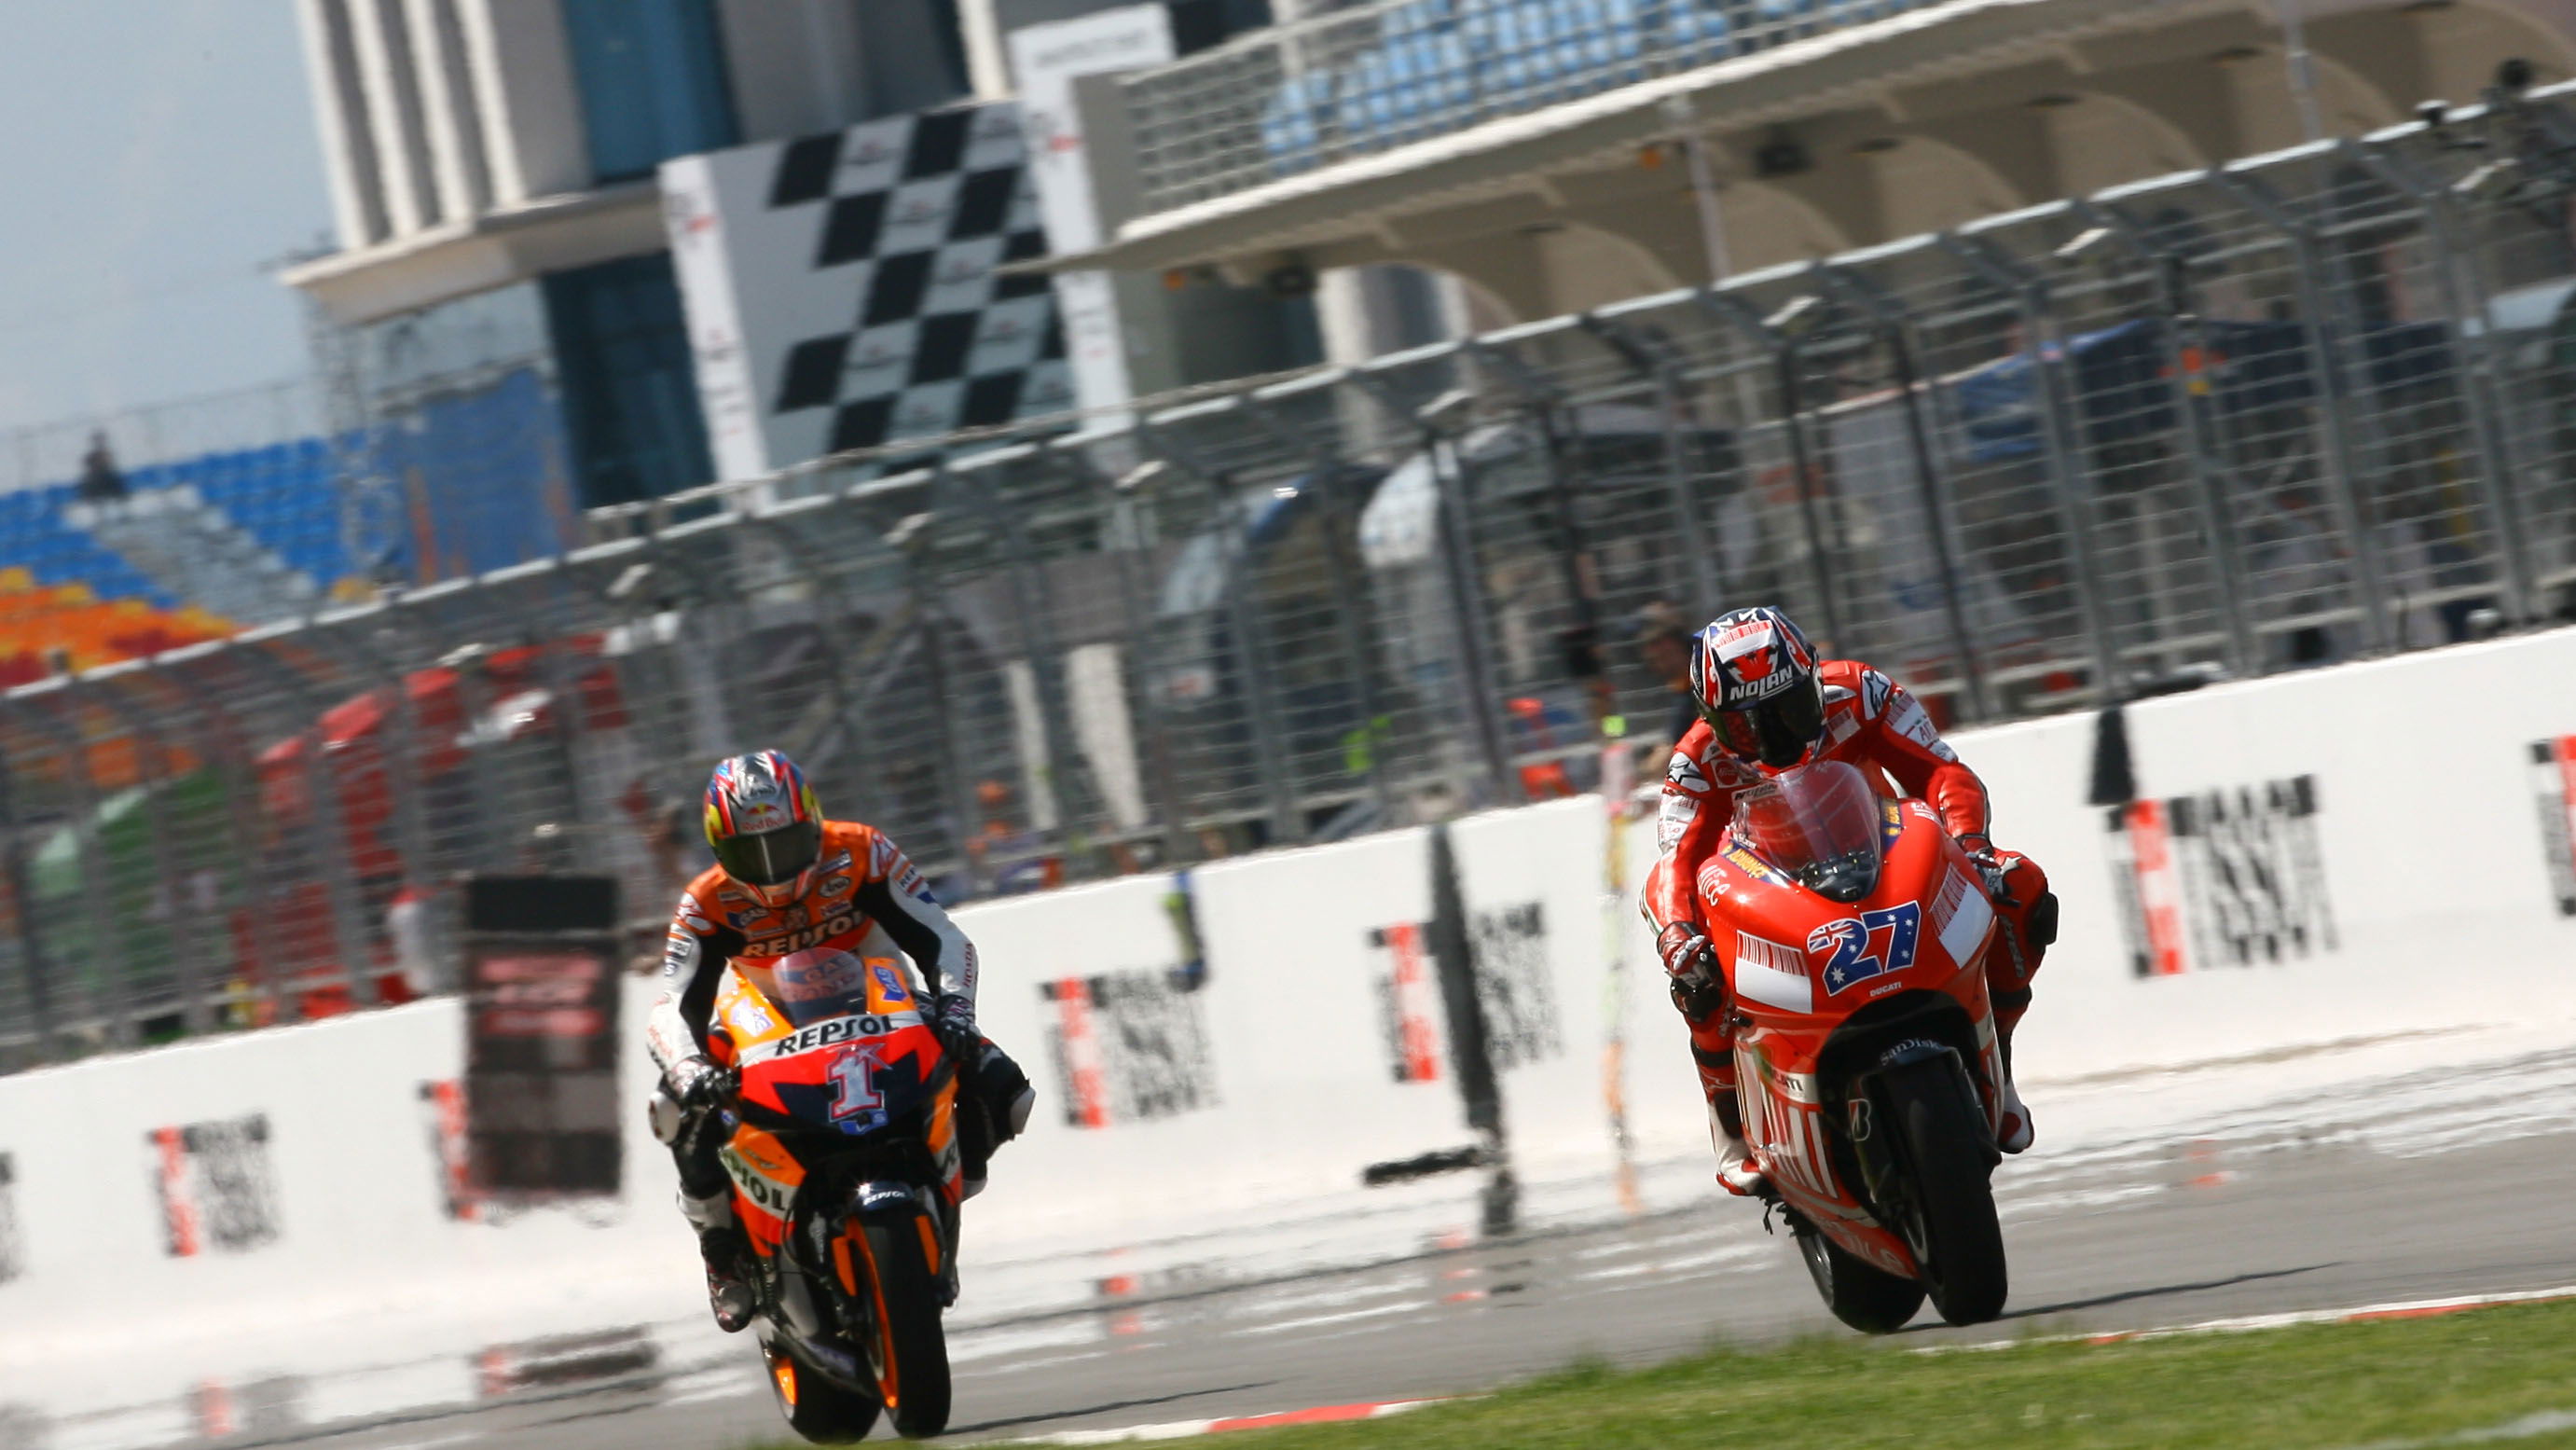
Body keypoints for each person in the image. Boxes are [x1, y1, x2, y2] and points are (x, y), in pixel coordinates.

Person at [1638, 607, 2056, 1196]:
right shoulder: (1696, 760)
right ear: (1712, 719)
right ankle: (1730, 1119)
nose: (1776, 738)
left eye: (1789, 709)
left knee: (2018, 886)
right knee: (1694, 971)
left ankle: (2001, 1068)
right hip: (1767, 891)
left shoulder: (1860, 692)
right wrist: (1680, 933)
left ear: (1813, 679)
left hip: (1878, 864)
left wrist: (1971, 848)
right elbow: (1675, 862)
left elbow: (1943, 774)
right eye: (1749, 726)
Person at [643, 750, 1036, 1332]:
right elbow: (670, 1006)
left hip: (878, 988)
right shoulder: (705, 899)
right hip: (759, 1008)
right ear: (720, 849)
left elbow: (941, 937)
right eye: (753, 853)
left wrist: (955, 1007)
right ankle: (721, 1253)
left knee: (1005, 1086)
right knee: (675, 1108)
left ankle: (955, 1176)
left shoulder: (862, 851)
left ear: (813, 822)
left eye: (787, 845)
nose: (774, 870)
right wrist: (687, 1067)